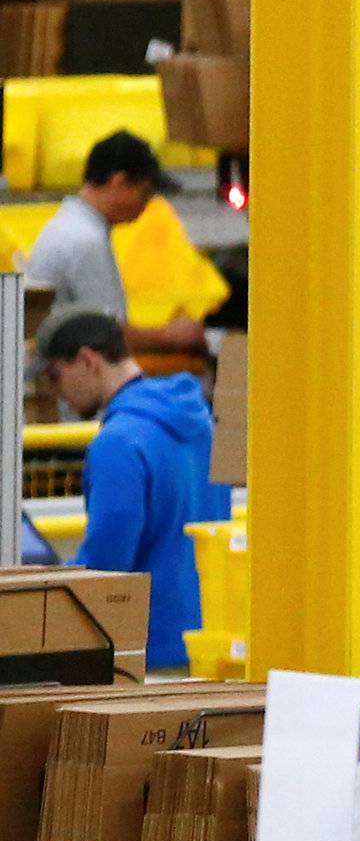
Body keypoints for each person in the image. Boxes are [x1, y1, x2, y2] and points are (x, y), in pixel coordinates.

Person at [36, 309, 216, 670]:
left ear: (88, 360)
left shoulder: (118, 443)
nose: (56, 395)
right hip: (209, 644)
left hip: (149, 657)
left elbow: (106, 568)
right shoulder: (200, 424)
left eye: (55, 375)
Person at [24, 131, 203, 357]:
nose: (146, 206)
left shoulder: (71, 226)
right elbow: (108, 334)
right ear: (119, 181)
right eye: (145, 193)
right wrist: (171, 335)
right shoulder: (85, 239)